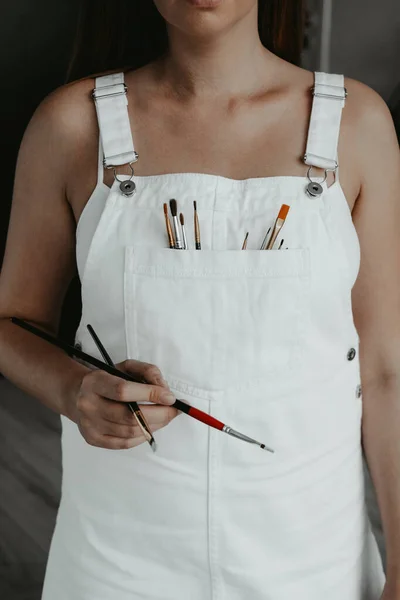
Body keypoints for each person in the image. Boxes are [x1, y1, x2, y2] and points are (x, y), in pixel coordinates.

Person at [0, 1, 399, 598]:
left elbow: (387, 369)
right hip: (117, 559)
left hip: (314, 559)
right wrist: (73, 390)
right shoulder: (71, 126)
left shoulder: (355, 124)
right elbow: (10, 322)